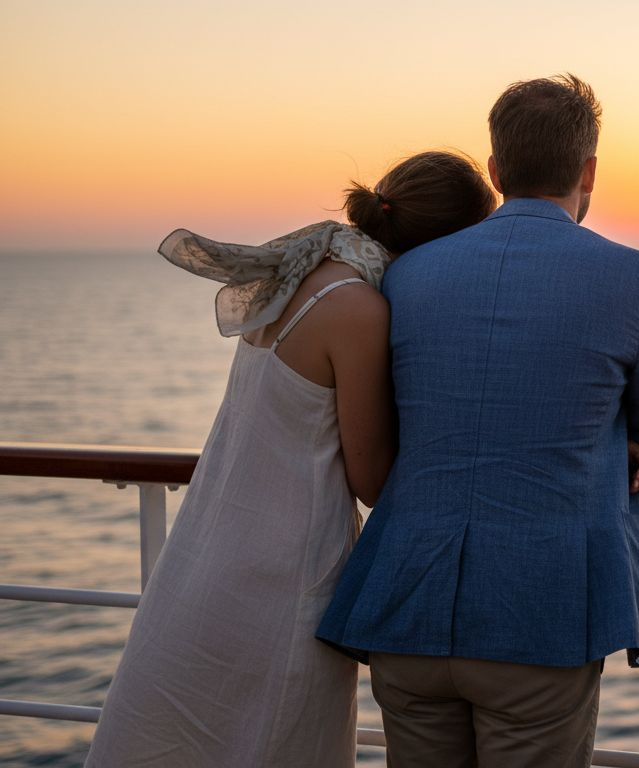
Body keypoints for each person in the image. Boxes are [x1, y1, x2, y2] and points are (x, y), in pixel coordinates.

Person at [317, 74, 639, 768]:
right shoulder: (634, 277)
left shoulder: (408, 275)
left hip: (406, 608)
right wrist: (630, 443)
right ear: (589, 171)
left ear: (494, 172)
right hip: (539, 618)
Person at [84, 151, 498, 768]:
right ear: (446, 244)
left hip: (213, 551)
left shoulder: (304, 273)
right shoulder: (359, 309)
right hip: (286, 574)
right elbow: (372, 479)